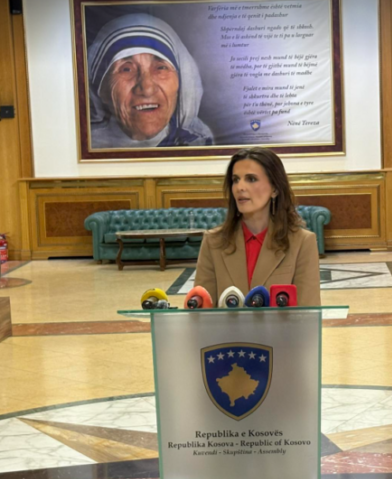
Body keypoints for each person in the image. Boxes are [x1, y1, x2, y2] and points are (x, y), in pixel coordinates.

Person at [195, 147, 321, 307]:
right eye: (235, 180)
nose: (240, 187)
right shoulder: (213, 242)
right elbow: (201, 313)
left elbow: (308, 312)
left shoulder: (302, 242)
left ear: (275, 188)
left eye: (251, 179)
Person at [88, 13, 214, 148]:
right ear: (102, 89)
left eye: (160, 68)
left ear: (181, 84)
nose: (147, 89)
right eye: (126, 69)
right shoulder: (81, 145)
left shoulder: (198, 144)